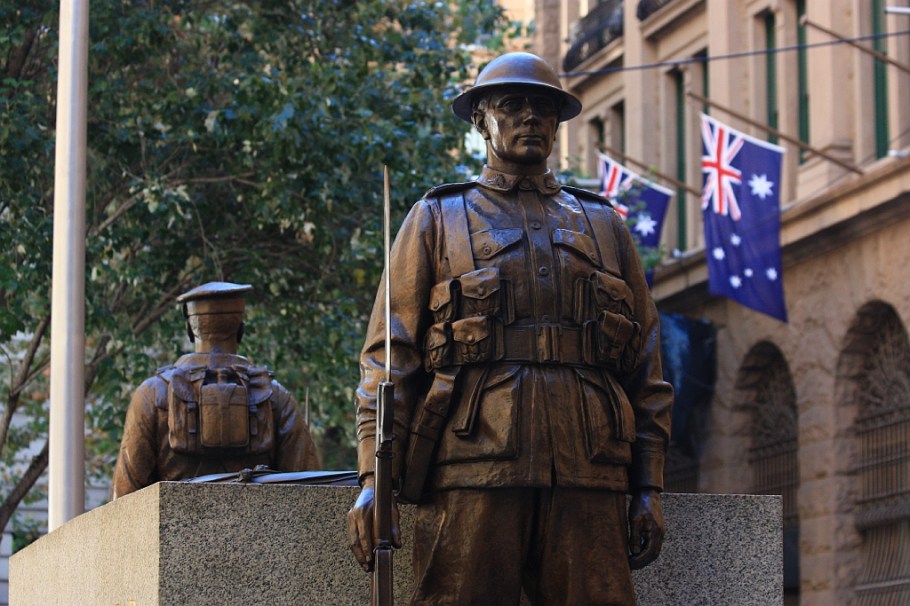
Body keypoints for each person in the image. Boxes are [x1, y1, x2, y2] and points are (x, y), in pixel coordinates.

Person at [347, 52, 673, 605]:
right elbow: (389, 355)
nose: (530, 117)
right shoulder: (437, 217)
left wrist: (649, 485)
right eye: (512, 105)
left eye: (544, 108)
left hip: (589, 470)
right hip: (473, 461)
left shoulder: (603, 225)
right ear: (481, 120)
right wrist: (372, 478)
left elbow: (646, 367)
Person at [112, 281, 320, 498]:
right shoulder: (275, 396)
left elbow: (125, 495)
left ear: (190, 329)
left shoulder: (151, 394)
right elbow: (310, 489)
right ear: (241, 329)